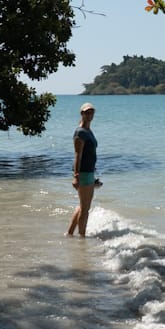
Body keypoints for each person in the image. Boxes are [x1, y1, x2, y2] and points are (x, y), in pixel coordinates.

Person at [67, 101, 101, 237]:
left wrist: (94, 176)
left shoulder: (88, 130)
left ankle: (69, 233)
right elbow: (78, 155)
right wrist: (76, 176)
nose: (90, 114)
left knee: (82, 206)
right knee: (85, 209)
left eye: (91, 112)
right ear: (82, 114)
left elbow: (90, 154)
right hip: (83, 173)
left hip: (89, 172)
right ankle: (82, 238)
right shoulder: (80, 132)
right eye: (87, 112)